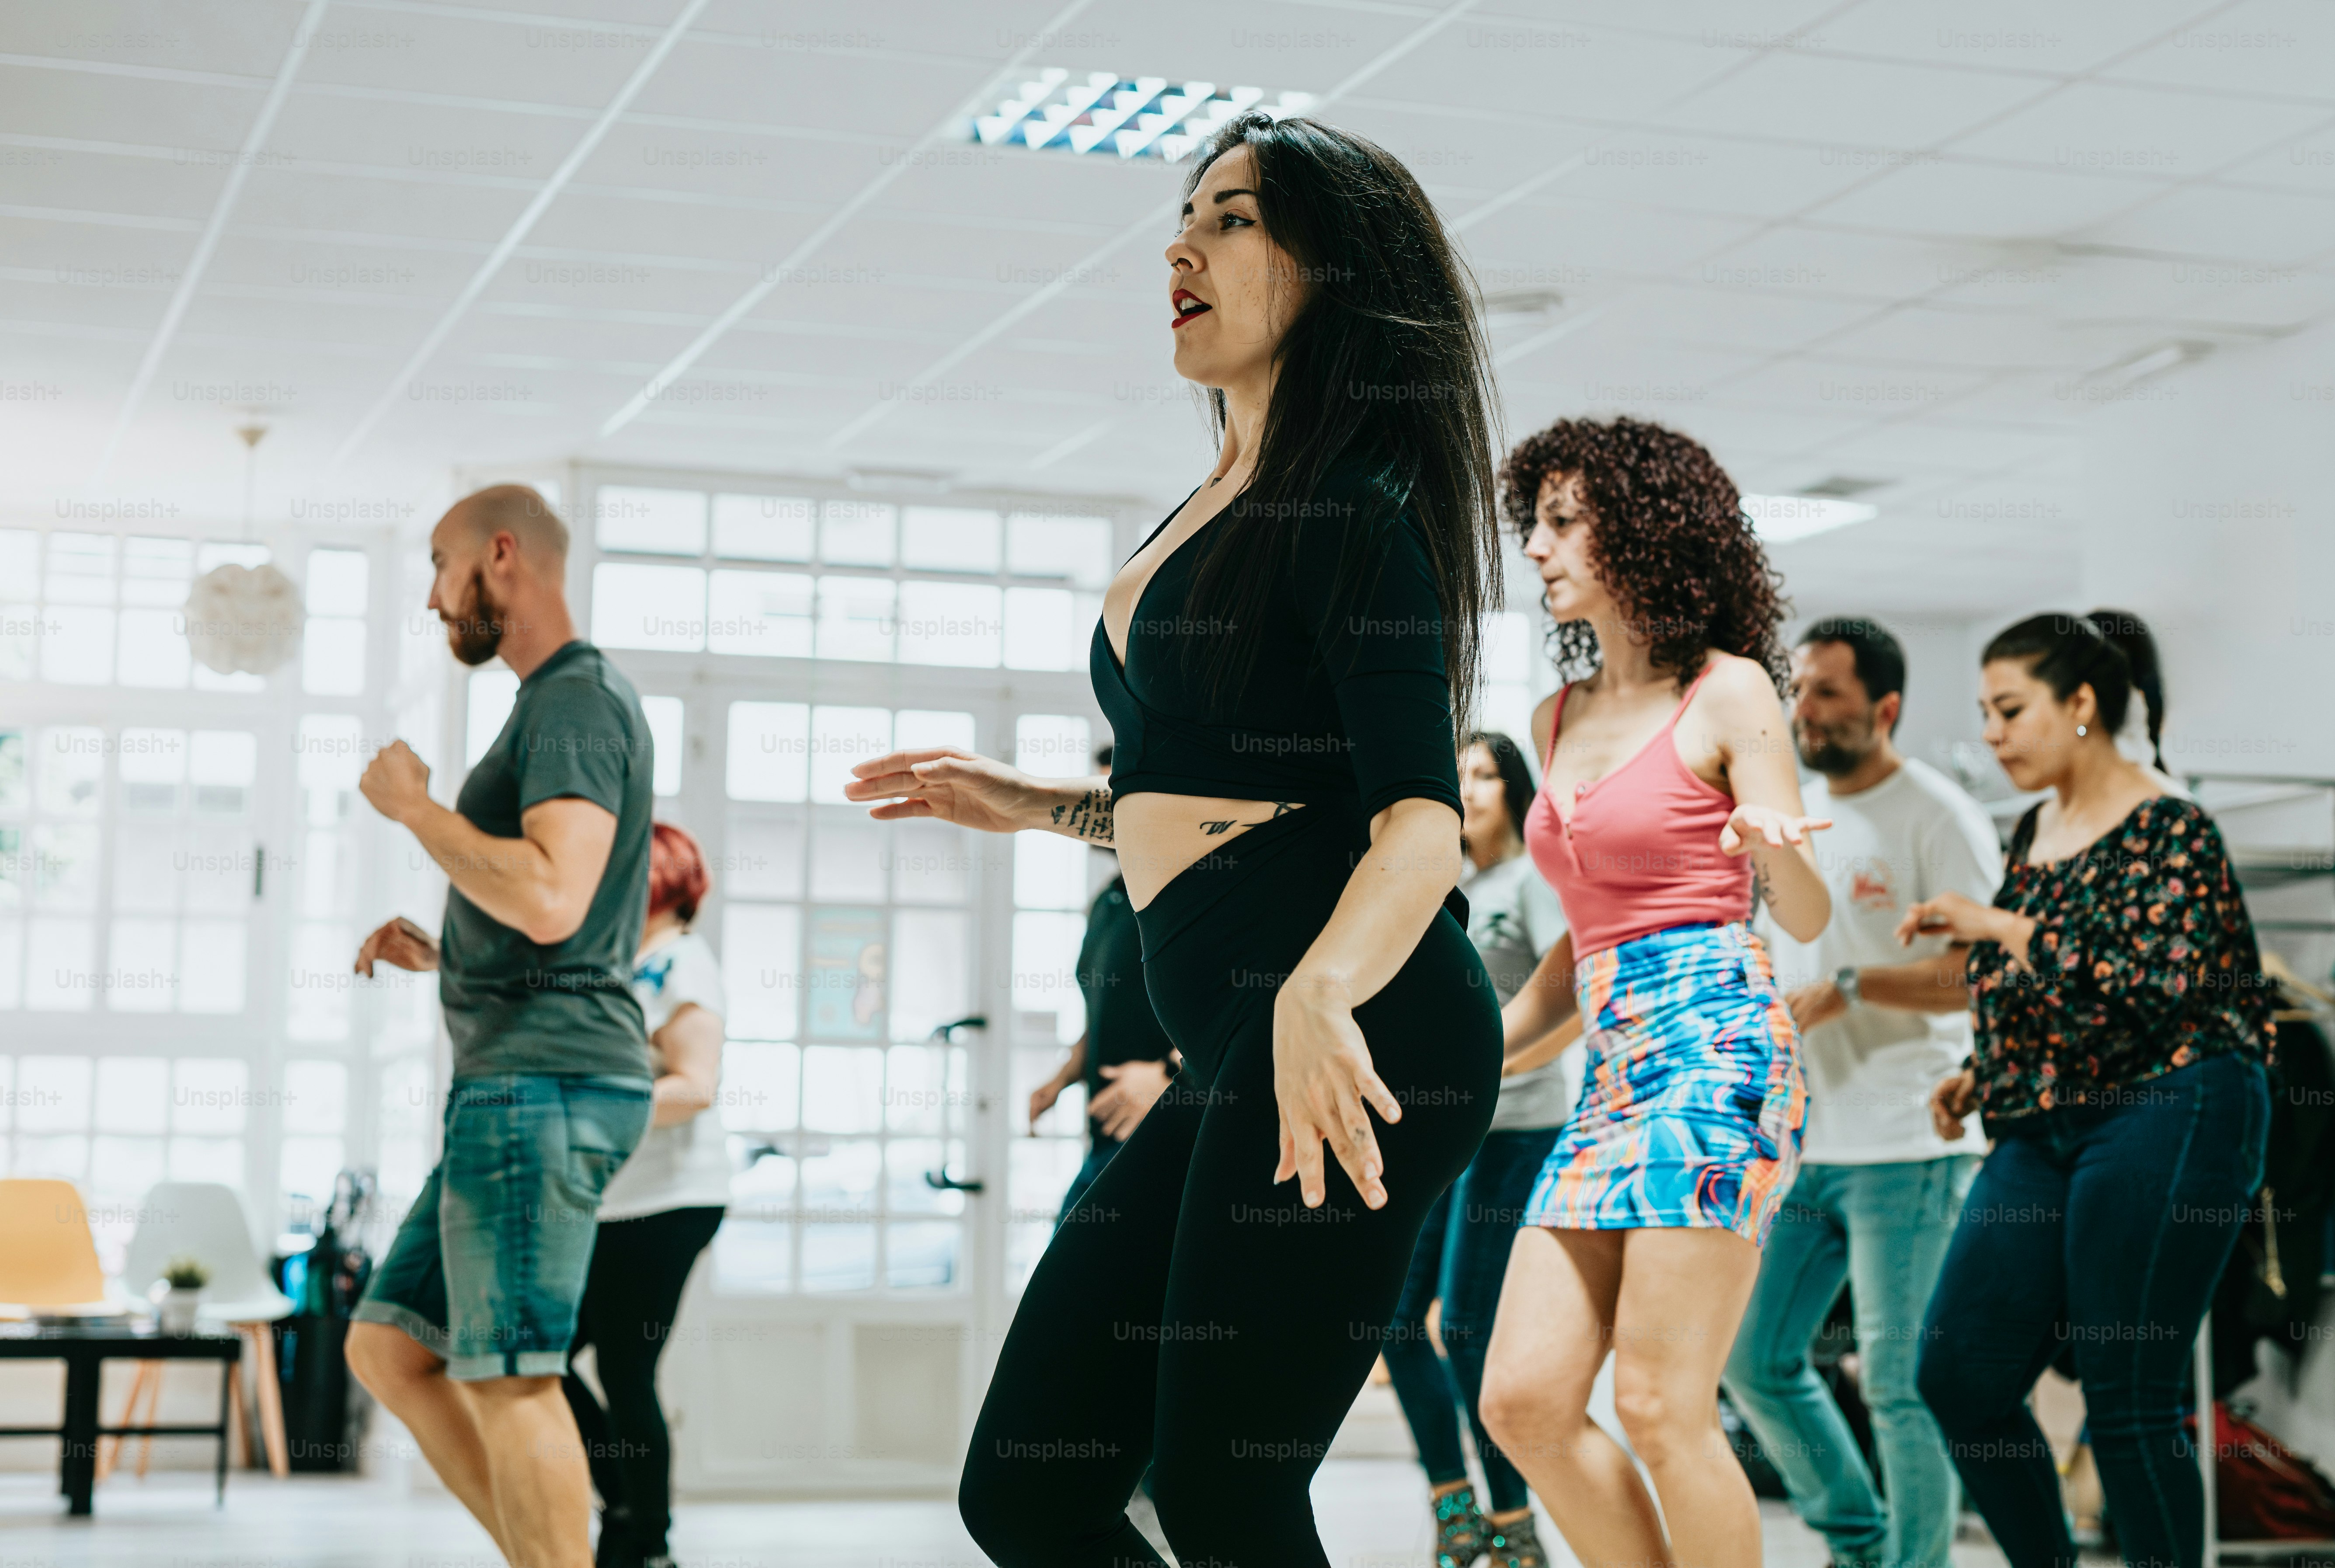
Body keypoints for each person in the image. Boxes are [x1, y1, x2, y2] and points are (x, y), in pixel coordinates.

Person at [846, 110, 1506, 1565]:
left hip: (1361, 1021)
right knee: (1030, 1484)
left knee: (1225, 1487)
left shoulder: (1355, 507)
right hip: (1245, 1039)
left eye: (1233, 218)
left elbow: (1418, 825)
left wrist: (1325, 993)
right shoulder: (1221, 499)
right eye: (1185, 214)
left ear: (1329, 271)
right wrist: (1029, 803)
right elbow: (1216, 800)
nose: (1181, 244)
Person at [1475, 416, 1833, 1568]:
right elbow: (1573, 960)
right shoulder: (1555, 717)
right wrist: (1448, 1067)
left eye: (1564, 521)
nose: (1536, 546)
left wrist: (1766, 840)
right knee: (1522, 1399)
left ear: (1643, 530)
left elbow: (1805, 910)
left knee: (1657, 1405)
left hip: (1721, 1055)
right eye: (1533, 522)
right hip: (1614, 1072)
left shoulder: (1728, 694)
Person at [1908, 613, 2276, 1568]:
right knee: (1960, 1373)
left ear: (2081, 705)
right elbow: (2051, 994)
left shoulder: (2172, 824)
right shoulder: (2036, 827)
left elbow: (2155, 986)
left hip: (2177, 1102)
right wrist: (1982, 1072)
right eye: (1984, 711)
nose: (1991, 732)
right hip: (2048, 1120)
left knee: (2128, 1390)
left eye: (2010, 709)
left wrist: (2000, 924)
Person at [346, 484, 657, 1568]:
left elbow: (552, 897)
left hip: (544, 1087)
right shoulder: (554, 704)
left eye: (442, 565)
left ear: (504, 556)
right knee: (390, 1344)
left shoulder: (574, 701)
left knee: (516, 1372)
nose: (434, 597)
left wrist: (417, 810)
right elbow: (552, 916)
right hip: (524, 1077)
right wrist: (452, 950)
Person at [1721, 617, 2001, 1568]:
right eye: (1798, 688)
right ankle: (1860, 1540)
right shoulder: (1792, 811)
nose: (1805, 708)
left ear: (1885, 706)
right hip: (1803, 1144)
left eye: (1829, 692)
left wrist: (1852, 986)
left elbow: (1981, 967)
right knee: (1753, 1358)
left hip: (1908, 1146)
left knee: (1898, 1381)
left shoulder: (1938, 813)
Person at [1385, 731, 1580, 1568]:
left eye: (1484, 772)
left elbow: (1573, 996)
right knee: (1393, 1323)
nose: (1466, 787)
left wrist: (1490, 1065)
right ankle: (1452, 1501)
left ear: (1517, 788)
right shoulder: (1440, 884)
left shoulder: (1533, 880)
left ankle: (1514, 1520)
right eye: (1455, 772)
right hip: (1440, 1137)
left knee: (1467, 1330)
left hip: (1516, 1133)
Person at [563, 822, 729, 1568]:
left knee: (626, 1370)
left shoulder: (683, 963)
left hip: (667, 1201)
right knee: (536, 1356)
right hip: (611, 1201)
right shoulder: (628, 961)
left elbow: (694, 1088)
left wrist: (589, 1101)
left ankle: (644, 1540)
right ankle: (625, 1506)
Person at [1028, 746, 1180, 1224]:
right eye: (1096, 794)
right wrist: (1060, 1079)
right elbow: (1107, 1010)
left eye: (1111, 794)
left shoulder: (1182, 892)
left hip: (1165, 1126)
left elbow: (1237, 1006)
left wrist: (1166, 1075)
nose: (1099, 806)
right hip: (1107, 1130)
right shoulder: (1109, 901)